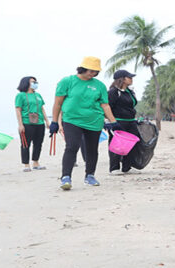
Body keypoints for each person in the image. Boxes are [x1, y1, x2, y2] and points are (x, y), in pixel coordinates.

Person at [49, 57, 121, 190]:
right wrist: (54, 122)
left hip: (94, 121)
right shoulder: (67, 81)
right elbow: (58, 103)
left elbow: (105, 105)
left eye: (96, 72)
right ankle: (66, 177)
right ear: (82, 68)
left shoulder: (99, 85)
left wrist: (113, 122)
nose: (93, 74)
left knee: (92, 149)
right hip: (72, 120)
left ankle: (90, 176)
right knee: (72, 146)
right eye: (91, 71)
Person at [106, 69, 139, 174]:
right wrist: (110, 122)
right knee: (116, 144)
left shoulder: (130, 92)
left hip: (131, 121)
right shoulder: (113, 92)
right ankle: (114, 168)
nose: (131, 79)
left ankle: (127, 167)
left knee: (132, 144)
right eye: (129, 77)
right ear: (122, 79)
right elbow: (107, 107)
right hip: (118, 121)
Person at [15, 76, 49, 172]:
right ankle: (26, 164)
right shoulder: (21, 95)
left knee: (38, 143)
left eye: (35, 82)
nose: (35, 84)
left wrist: (47, 121)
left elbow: (42, 108)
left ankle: (36, 162)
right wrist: (20, 124)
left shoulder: (38, 95)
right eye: (33, 82)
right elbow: (18, 110)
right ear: (26, 83)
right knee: (25, 144)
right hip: (27, 123)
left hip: (39, 122)